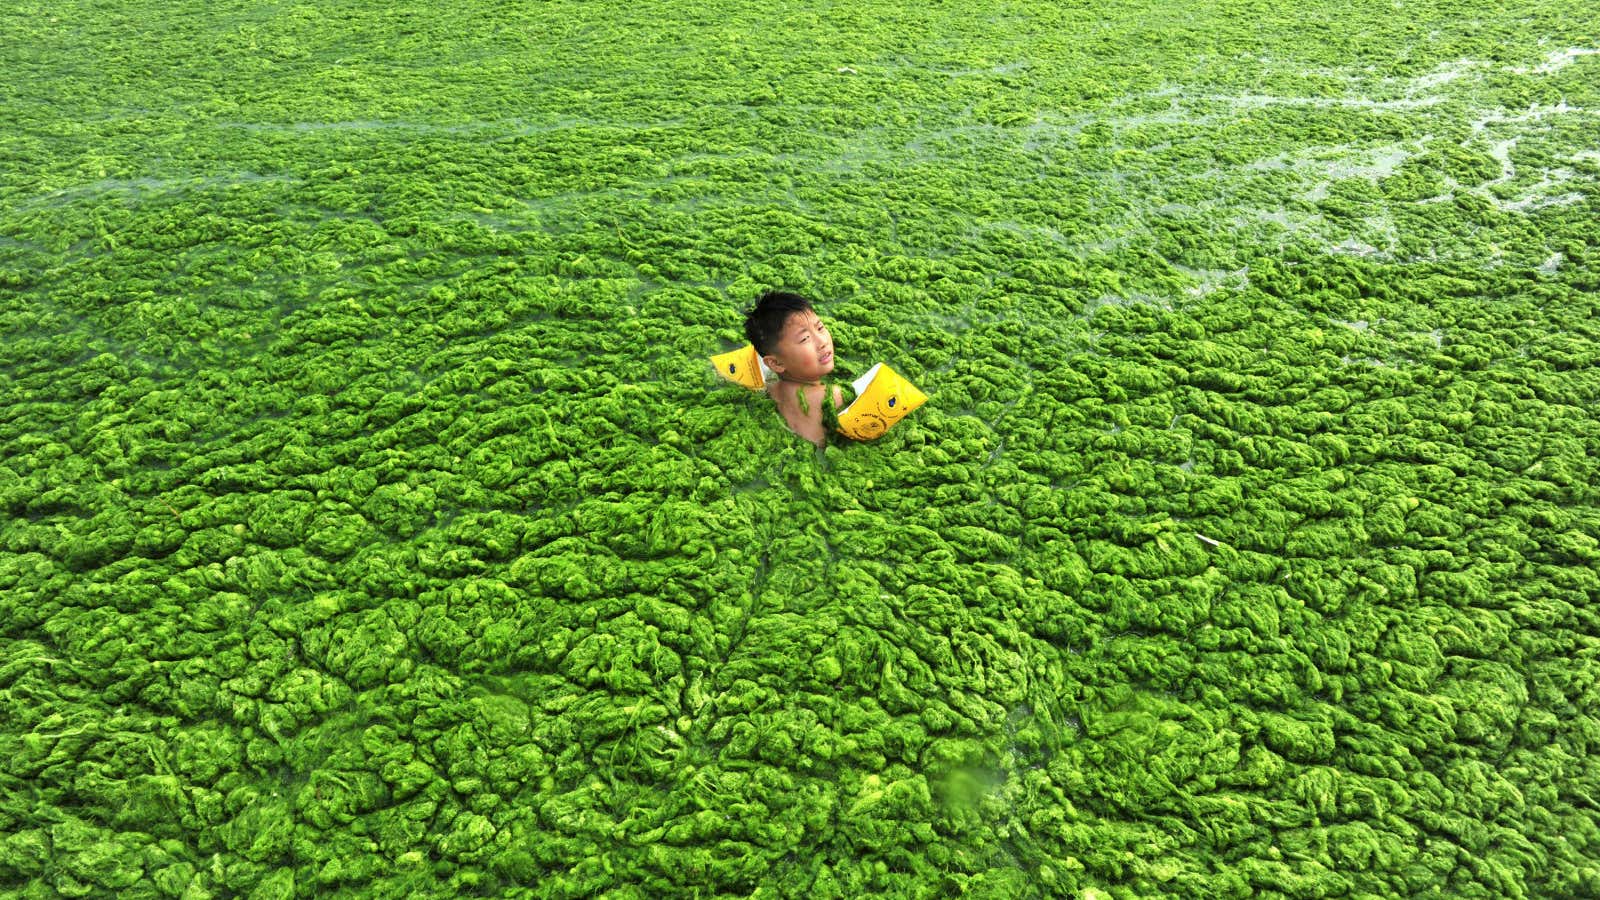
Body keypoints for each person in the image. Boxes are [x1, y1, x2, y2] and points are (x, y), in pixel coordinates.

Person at [744, 290, 846, 448]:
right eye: (805, 338)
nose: (822, 341)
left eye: (820, 328)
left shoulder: (769, 390)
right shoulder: (832, 397)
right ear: (775, 364)